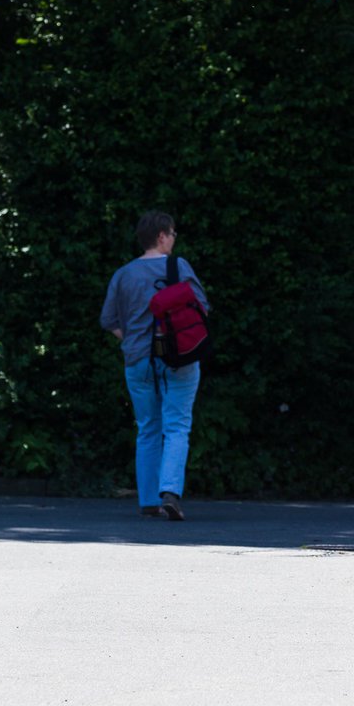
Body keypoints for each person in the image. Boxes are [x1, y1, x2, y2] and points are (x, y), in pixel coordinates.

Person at [100, 211, 209, 521]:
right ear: (161, 236)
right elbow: (203, 308)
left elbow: (108, 320)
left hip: (138, 359)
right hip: (179, 356)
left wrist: (131, 338)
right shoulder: (179, 267)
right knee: (177, 425)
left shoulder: (123, 275)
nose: (174, 239)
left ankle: (148, 500)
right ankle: (170, 493)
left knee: (148, 427)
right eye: (172, 234)